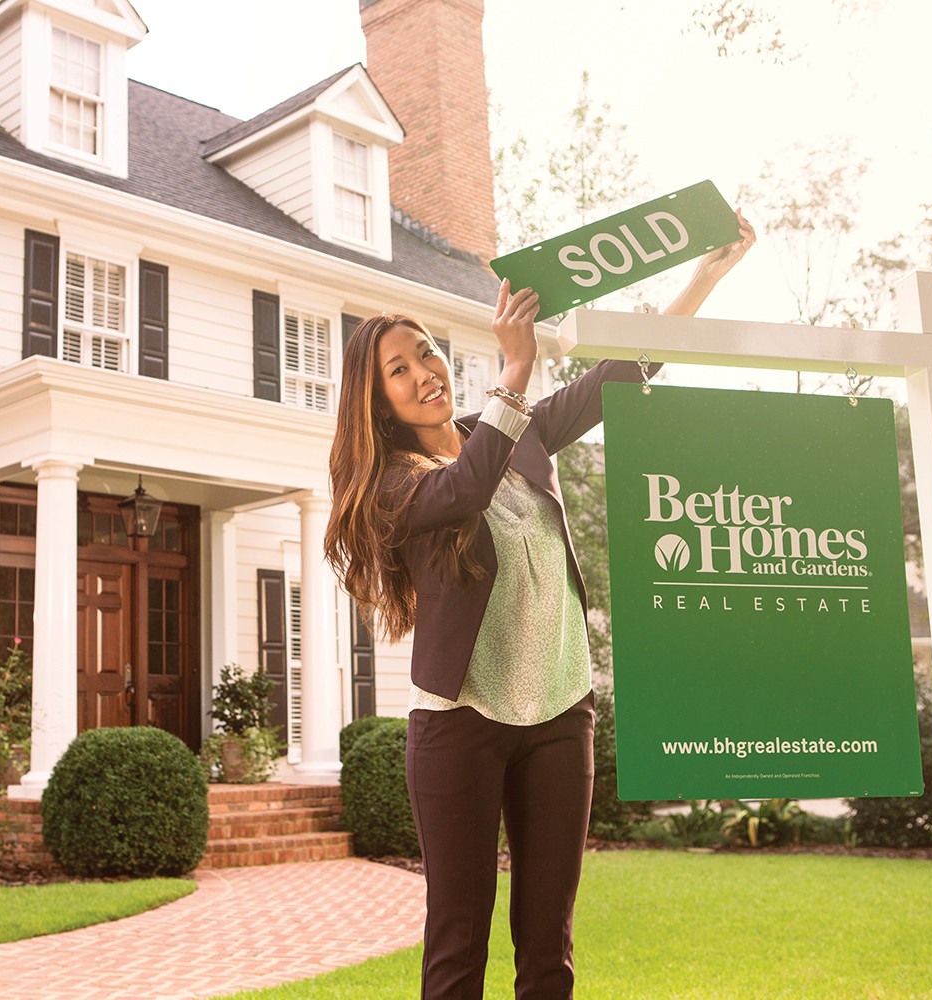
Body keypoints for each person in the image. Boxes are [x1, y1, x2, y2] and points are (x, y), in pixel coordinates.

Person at [324, 212, 756, 999]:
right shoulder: (396, 483)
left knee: (548, 947)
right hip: (462, 724)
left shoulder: (514, 434)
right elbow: (461, 491)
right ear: (378, 401)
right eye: (398, 368)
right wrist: (512, 376)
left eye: (426, 351)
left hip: (560, 711)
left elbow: (624, 372)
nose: (424, 370)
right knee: (458, 943)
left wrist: (705, 273)